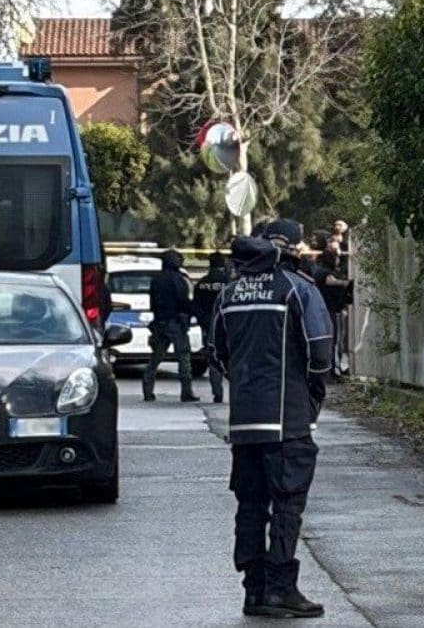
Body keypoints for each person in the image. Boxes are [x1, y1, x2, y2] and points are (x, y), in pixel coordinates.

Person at [211, 222, 333, 619]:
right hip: (287, 419)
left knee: (250, 504)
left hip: (244, 423)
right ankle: (282, 587)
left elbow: (216, 353)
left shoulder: (229, 294)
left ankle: (254, 589)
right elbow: (319, 349)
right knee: (287, 503)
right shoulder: (296, 289)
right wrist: (313, 391)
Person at [142, 248, 199, 403]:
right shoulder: (178, 279)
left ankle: (147, 390)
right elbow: (183, 301)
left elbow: (152, 303)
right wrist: (195, 312)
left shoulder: (156, 280)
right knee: (184, 357)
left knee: (156, 357)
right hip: (175, 323)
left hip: (159, 322)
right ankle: (186, 392)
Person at [193, 251, 230, 403]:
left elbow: (196, 306)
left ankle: (217, 393)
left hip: (209, 326)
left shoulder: (201, 283)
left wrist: (204, 322)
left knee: (214, 358)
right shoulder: (230, 283)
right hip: (229, 324)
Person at [313, 249, 353, 377]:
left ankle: (329, 370)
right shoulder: (326, 274)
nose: (338, 260)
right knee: (336, 341)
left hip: (322, 310)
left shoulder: (318, 271)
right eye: (336, 257)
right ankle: (334, 371)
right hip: (332, 310)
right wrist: (345, 283)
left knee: (329, 341)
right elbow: (330, 281)